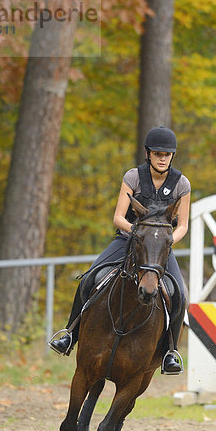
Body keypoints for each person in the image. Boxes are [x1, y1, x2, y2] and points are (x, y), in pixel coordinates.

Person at [49, 126, 191, 374]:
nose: (162, 158)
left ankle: (171, 351)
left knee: (179, 292)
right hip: (127, 239)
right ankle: (70, 334)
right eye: (157, 153)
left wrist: (163, 241)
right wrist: (138, 234)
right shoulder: (134, 177)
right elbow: (118, 217)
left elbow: (183, 226)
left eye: (166, 154)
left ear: (172, 156)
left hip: (158, 247)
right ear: (148, 154)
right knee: (90, 278)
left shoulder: (181, 183)